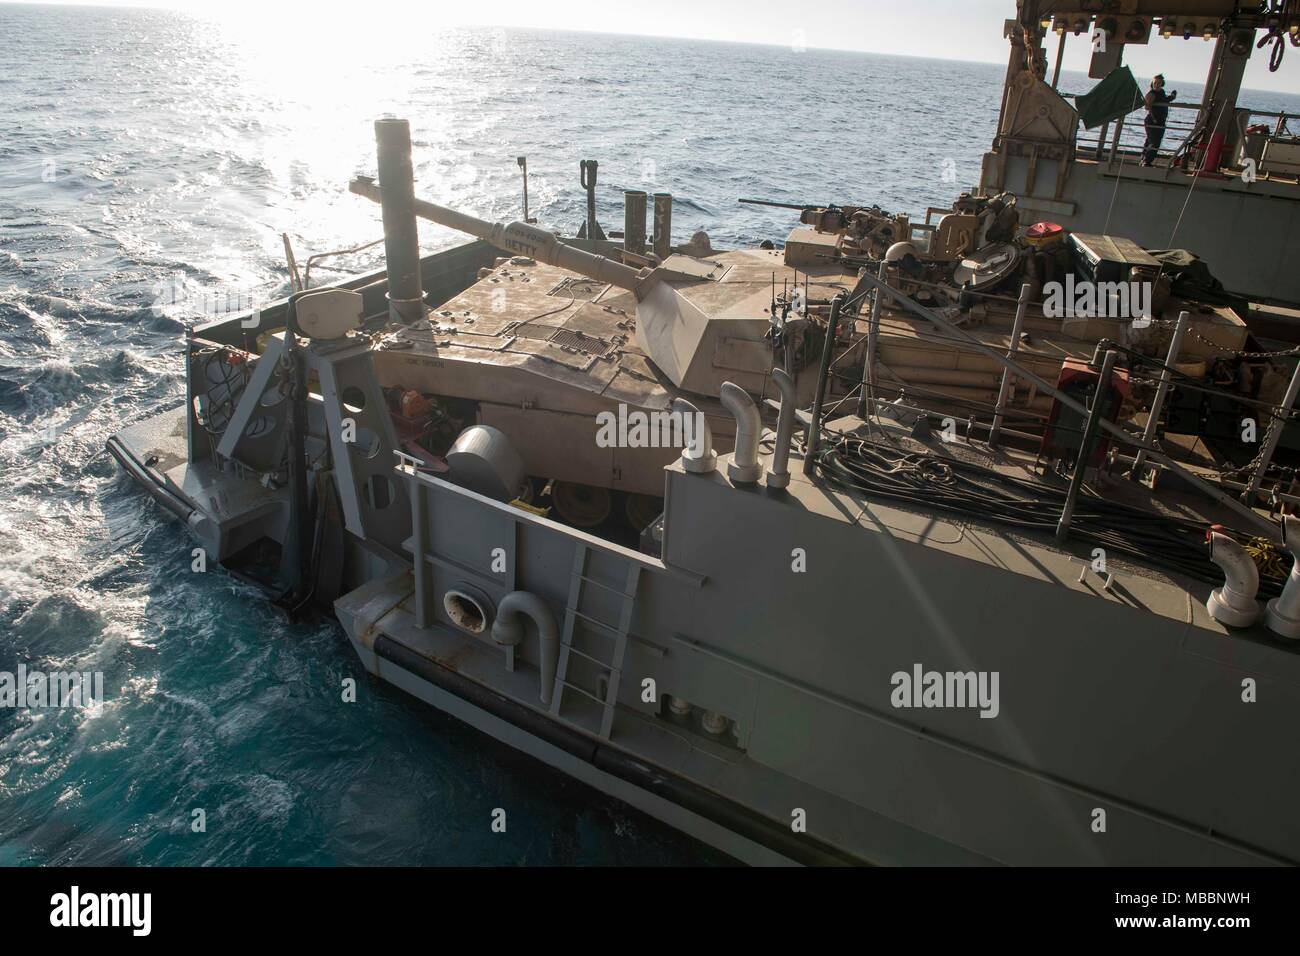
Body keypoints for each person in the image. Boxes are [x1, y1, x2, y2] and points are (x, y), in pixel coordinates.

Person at [1141, 75, 1177, 166]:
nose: (1156, 84)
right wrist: (1149, 103)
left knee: (1151, 140)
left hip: (1161, 121)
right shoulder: (1151, 93)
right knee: (1154, 142)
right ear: (1152, 83)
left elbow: (1165, 100)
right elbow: (1146, 107)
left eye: (1159, 83)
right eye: (1155, 82)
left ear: (1162, 84)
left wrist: (1172, 96)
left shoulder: (1161, 92)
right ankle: (1147, 161)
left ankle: (1144, 158)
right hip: (1153, 120)